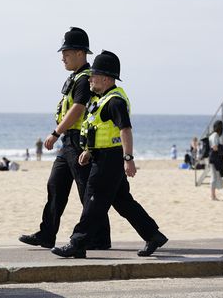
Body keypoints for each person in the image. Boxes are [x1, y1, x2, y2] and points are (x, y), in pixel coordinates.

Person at [51, 50, 168, 258]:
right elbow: (98, 130)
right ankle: (153, 235)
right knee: (123, 202)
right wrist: (88, 151)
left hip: (110, 160)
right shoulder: (102, 99)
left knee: (92, 199)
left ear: (105, 78)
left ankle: (78, 243)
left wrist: (128, 159)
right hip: (102, 156)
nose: (90, 78)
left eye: (93, 75)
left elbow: (125, 130)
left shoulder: (115, 101)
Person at [19, 27, 111, 250]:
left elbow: (78, 109)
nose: (63, 57)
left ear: (80, 53)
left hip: (78, 142)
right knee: (55, 186)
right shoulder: (76, 77)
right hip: (68, 144)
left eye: (67, 53)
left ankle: (99, 238)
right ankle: (47, 234)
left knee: (86, 192)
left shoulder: (85, 79)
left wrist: (55, 132)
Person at [208, 120, 223, 201]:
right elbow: (215, 147)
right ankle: (212, 196)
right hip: (214, 158)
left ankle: (213, 196)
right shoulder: (215, 135)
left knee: (214, 176)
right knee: (214, 177)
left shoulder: (211, 134)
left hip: (212, 157)